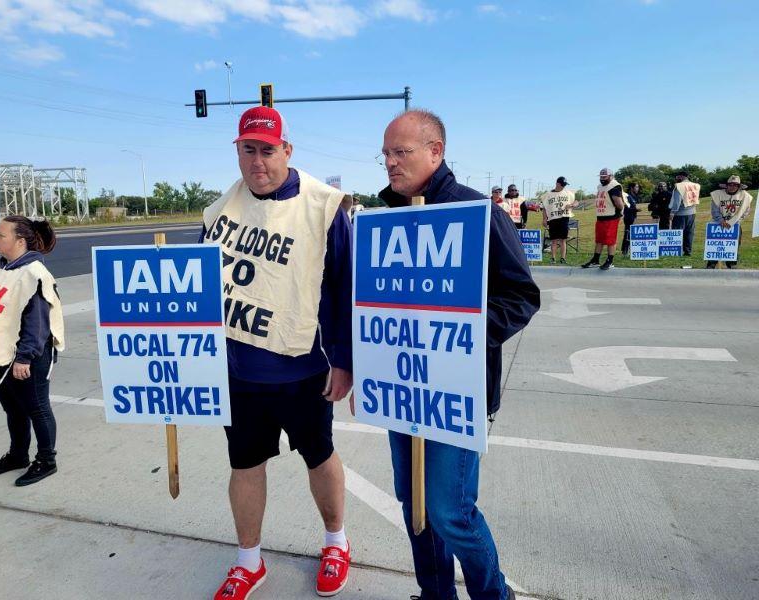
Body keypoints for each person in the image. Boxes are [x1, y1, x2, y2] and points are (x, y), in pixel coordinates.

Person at [377, 108, 540, 600]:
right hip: (405, 387)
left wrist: (456, 333)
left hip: (457, 391)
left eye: (401, 152)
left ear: (436, 151)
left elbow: (521, 298)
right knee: (415, 505)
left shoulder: (478, 213)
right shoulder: (387, 220)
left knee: (450, 509)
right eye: (385, 154)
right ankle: (435, 594)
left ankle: (494, 595)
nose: (390, 163)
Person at [199, 106, 353, 600]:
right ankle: (249, 561)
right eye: (249, 149)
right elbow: (195, 291)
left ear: (287, 150)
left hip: (304, 369)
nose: (258, 161)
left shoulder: (323, 207)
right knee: (243, 465)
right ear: (237, 151)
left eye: (268, 150)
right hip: (238, 370)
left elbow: (345, 287)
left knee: (320, 456)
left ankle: (335, 541)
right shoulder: (218, 211)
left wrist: (345, 360)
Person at [0, 216, 64, 486]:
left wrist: (24, 358)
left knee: (37, 409)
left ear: (19, 241)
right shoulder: (0, 266)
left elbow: (37, 323)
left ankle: (46, 460)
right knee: (13, 410)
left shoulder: (34, 274)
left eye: (0, 235)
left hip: (27, 357)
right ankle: (18, 455)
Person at [581, 168, 625, 270]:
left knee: (610, 240)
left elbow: (619, 203)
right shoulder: (600, 187)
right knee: (599, 240)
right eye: (601, 177)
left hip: (611, 217)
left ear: (611, 176)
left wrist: (621, 212)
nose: (602, 179)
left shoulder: (614, 186)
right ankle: (595, 260)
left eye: (604, 177)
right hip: (601, 216)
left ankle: (610, 261)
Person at [707, 175, 753, 269]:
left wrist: (735, 221)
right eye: (730, 184)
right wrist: (721, 220)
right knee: (715, 244)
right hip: (718, 224)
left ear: (738, 186)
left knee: (734, 245)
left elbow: (746, 211)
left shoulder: (745, 196)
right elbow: (714, 209)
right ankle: (711, 264)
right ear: (726, 185)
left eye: (735, 185)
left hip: (735, 225)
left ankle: (732, 264)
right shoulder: (717, 194)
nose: (732, 186)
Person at [539, 176, 577, 264]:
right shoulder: (547, 195)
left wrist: (571, 205)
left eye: (565, 185)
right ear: (557, 184)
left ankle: (563, 258)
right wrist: (544, 219)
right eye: (562, 184)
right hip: (553, 219)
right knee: (554, 240)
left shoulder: (568, 193)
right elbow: (544, 208)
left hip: (564, 218)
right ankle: (553, 258)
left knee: (563, 239)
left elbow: (576, 202)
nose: (564, 186)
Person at [669, 171, 701, 256]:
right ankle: (688, 251)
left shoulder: (679, 186)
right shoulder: (696, 185)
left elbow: (677, 201)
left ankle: (676, 251)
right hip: (692, 212)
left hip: (680, 213)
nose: (676, 179)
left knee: (677, 233)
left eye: (677, 177)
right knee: (689, 232)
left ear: (681, 177)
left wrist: (672, 212)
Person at [620, 182, 642, 256]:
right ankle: (625, 251)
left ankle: (629, 250)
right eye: (636, 187)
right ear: (632, 188)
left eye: (638, 187)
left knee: (631, 234)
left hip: (633, 217)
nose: (637, 189)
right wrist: (636, 210)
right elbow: (626, 209)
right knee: (627, 234)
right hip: (628, 218)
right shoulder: (627, 196)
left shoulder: (634, 196)